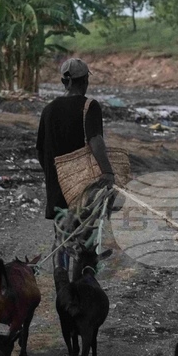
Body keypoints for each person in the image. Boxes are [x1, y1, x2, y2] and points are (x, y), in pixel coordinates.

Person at [36, 58, 115, 268]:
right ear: (86, 81)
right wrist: (108, 172)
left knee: (61, 240)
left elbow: (40, 149)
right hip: (83, 188)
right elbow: (95, 140)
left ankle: (62, 288)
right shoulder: (90, 107)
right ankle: (82, 288)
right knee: (85, 241)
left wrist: (55, 177)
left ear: (64, 82)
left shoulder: (49, 109)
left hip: (58, 187)